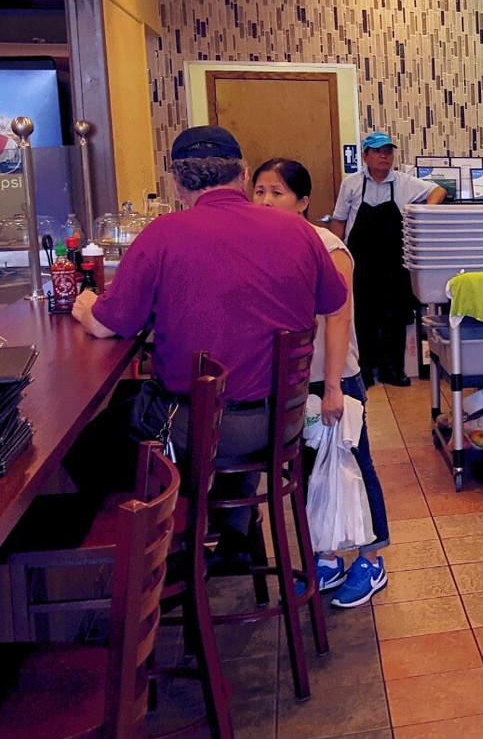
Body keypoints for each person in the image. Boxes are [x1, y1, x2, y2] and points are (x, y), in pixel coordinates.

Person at [70, 125, 347, 566]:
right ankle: (232, 528)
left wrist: (85, 306)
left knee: (86, 443)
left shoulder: (164, 234)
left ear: (177, 184)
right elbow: (333, 301)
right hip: (280, 421)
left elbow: (107, 325)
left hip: (195, 425)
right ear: (242, 175)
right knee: (225, 396)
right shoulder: (298, 231)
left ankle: (171, 553)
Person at [252, 157, 391, 607]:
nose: (265, 201)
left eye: (277, 192)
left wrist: (332, 388)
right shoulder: (261, 246)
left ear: (303, 202)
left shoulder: (329, 247)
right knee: (312, 471)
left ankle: (371, 560)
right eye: (259, 191)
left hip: (334, 377)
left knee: (355, 465)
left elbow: (339, 318)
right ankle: (326, 558)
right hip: (291, 380)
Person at [329, 131, 446, 389]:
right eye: (378, 151)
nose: (384, 156)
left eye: (388, 151)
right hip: (361, 262)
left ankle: (393, 369)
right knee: (363, 316)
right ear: (365, 156)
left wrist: (424, 213)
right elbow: (339, 220)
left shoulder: (404, 182)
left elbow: (438, 191)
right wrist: (335, 257)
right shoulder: (351, 184)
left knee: (395, 316)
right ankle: (365, 369)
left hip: (394, 263)